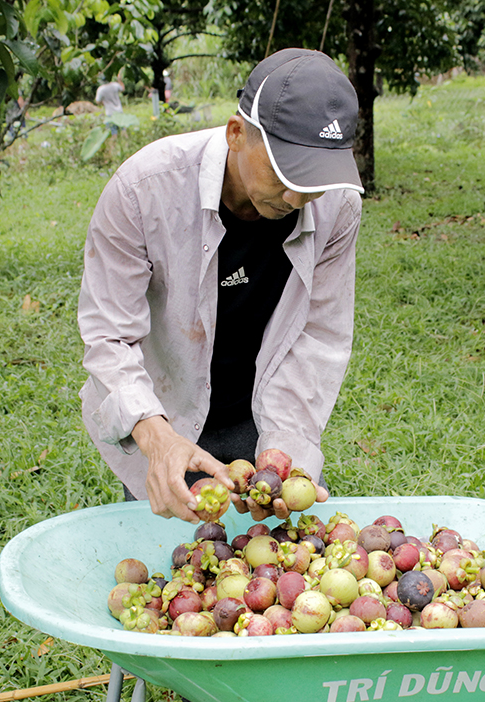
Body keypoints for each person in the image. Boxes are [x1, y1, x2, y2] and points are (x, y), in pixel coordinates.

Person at [78, 48, 364, 529]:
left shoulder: (337, 207)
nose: (297, 197)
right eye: (285, 173)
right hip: (162, 407)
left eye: (311, 179)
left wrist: (283, 448)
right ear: (236, 135)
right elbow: (109, 338)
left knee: (257, 568)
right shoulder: (143, 191)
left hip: (260, 405)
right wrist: (156, 437)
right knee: (168, 554)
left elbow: (318, 337)